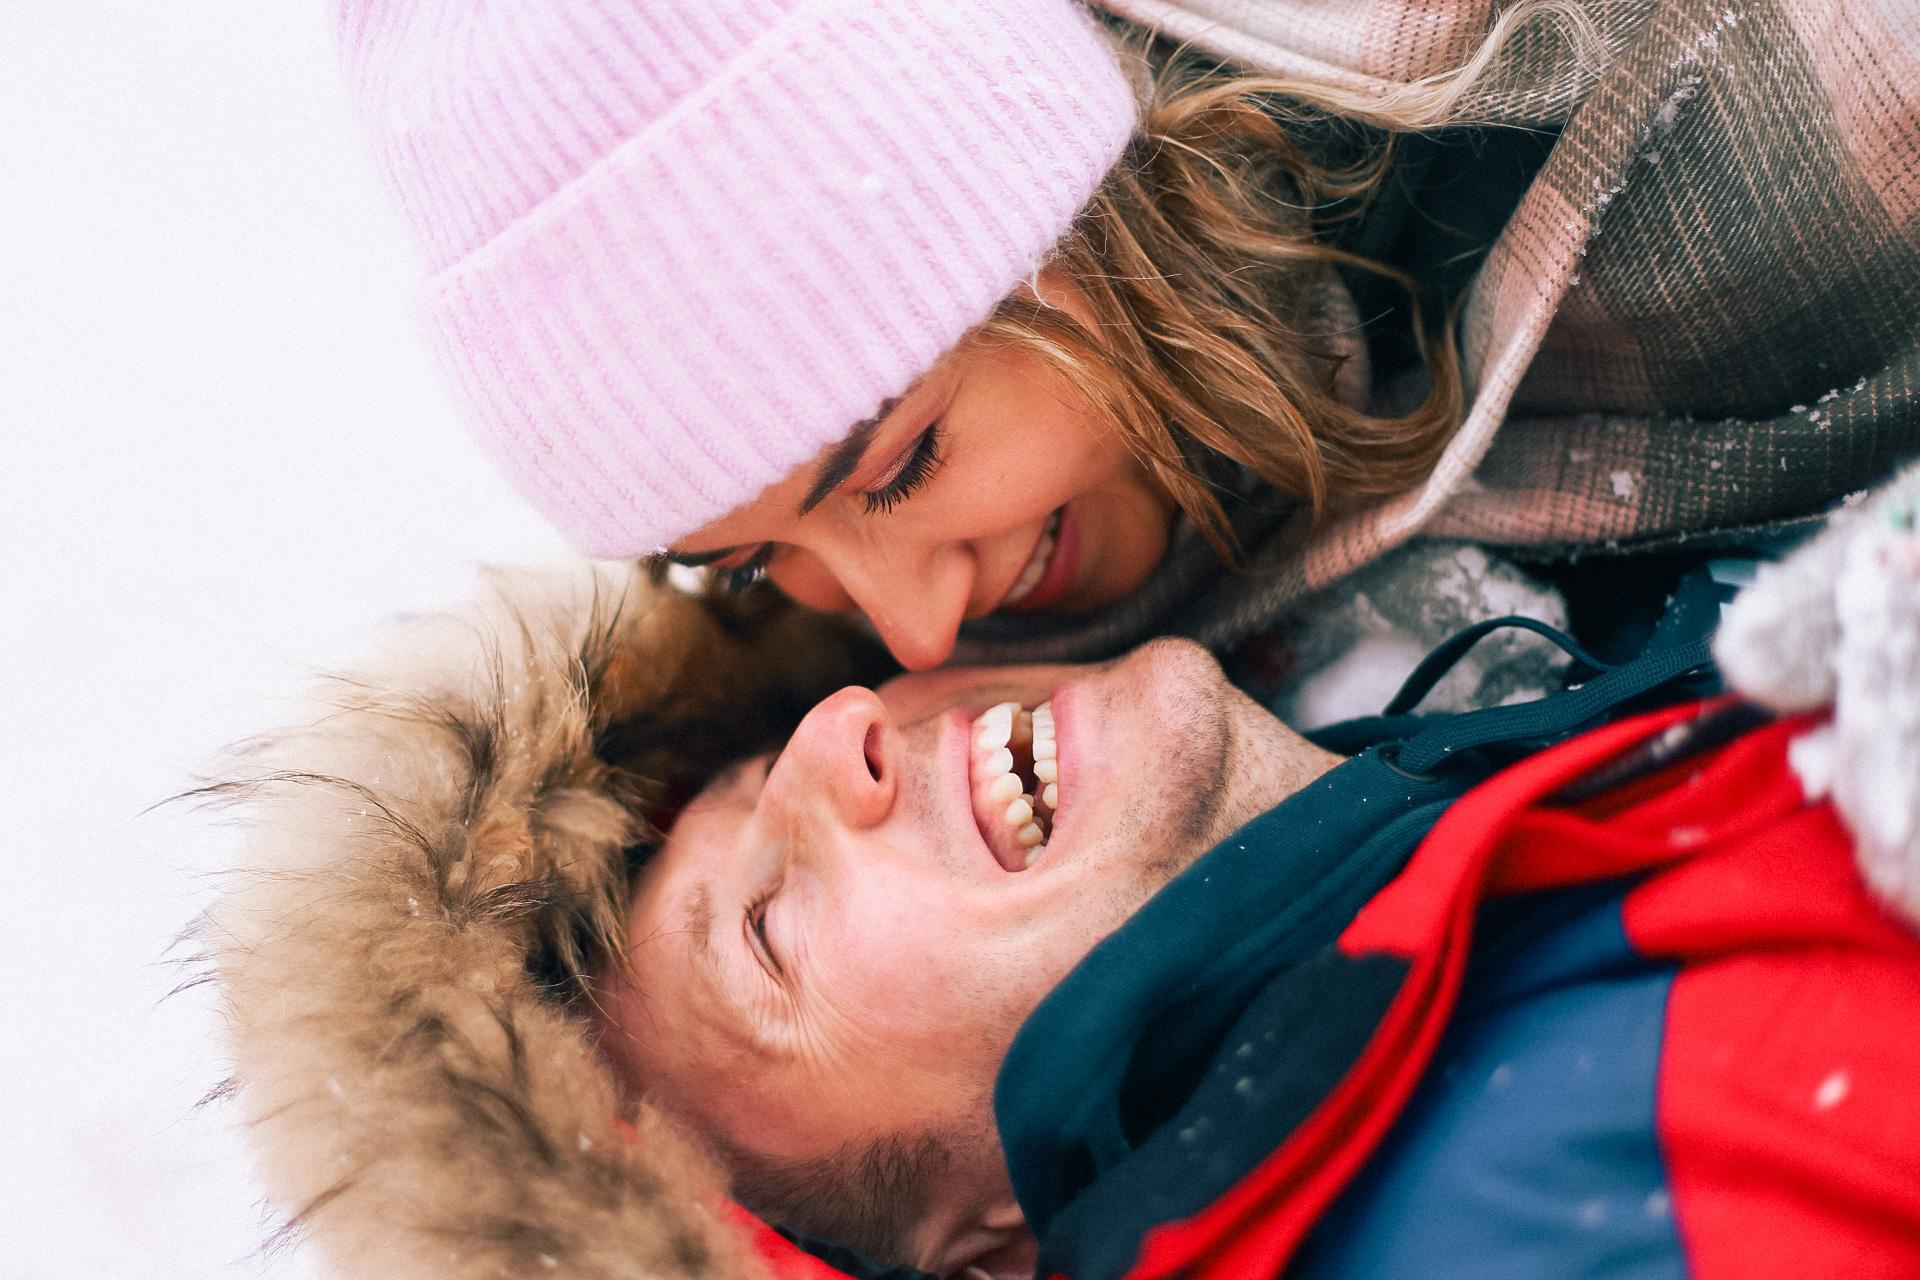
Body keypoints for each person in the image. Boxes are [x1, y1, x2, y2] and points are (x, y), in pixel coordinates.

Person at [207, 466, 1920, 1280]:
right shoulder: (1538, 1231)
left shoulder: (1481, 737)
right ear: (993, 1250)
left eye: (757, 765)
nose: (838, 739)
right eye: (772, 931)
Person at [338, 0, 1920, 675]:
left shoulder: (1704, 73)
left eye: (895, 467)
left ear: (1066, 221)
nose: (913, 635)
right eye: (753, 565)